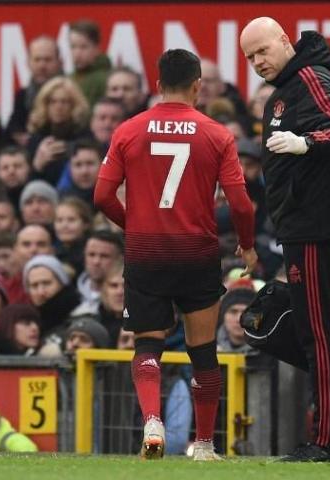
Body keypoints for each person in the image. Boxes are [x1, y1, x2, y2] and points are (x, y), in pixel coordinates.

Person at [94, 48, 256, 461]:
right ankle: (203, 445)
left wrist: (133, 224)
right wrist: (248, 244)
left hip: (146, 253)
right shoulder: (217, 134)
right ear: (198, 85)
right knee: (203, 351)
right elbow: (241, 204)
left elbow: (101, 195)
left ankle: (152, 421)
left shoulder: (129, 130)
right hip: (197, 254)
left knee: (148, 345)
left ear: (157, 83)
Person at [239, 17, 330, 462]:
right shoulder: (291, 85)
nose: (256, 63)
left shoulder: (310, 77)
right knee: (316, 328)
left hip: (314, 223)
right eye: (249, 57)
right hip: (302, 223)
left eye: (262, 51)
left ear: (284, 42)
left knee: (317, 331)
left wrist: (305, 143)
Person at [7, 36, 63, 146]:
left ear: (59, 62)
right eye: (37, 59)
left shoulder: (71, 94)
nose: (42, 65)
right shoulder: (22, 96)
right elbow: (13, 129)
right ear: (28, 63)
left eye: (48, 59)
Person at [69, 19, 111, 107]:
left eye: (83, 47)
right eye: (73, 47)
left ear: (96, 48)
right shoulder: (69, 77)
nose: (77, 53)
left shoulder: (106, 79)